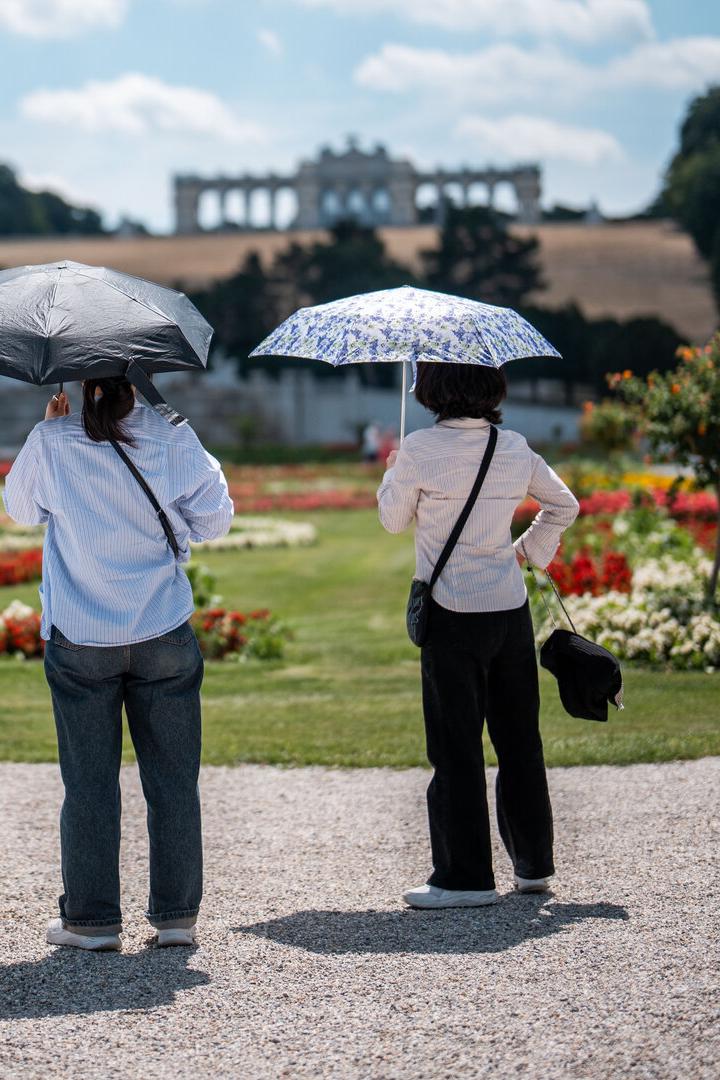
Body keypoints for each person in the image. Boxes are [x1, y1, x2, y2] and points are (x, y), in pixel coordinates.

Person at [3, 379, 234, 950]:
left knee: (87, 785)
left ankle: (92, 921)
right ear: (135, 378)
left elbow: (20, 511)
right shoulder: (175, 437)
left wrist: (51, 420)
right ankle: (176, 916)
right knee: (174, 782)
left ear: (85, 385)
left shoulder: (53, 437)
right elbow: (215, 522)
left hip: (81, 636)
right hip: (161, 629)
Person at [377, 362, 578, 909]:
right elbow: (564, 505)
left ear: (433, 390)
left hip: (451, 612)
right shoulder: (513, 446)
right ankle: (533, 866)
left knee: (456, 746)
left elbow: (393, 521)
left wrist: (395, 470)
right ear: (492, 387)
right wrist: (528, 552)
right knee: (520, 741)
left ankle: (465, 879)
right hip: (508, 609)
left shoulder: (419, 448)